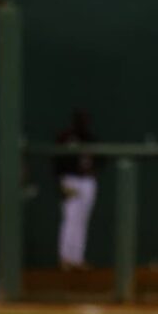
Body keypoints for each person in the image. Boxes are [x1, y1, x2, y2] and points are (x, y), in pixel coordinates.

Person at [54, 109, 97, 271]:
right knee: (70, 219)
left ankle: (77, 259)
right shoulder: (65, 137)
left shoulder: (90, 137)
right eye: (81, 119)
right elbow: (57, 162)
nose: (84, 122)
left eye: (86, 119)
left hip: (87, 181)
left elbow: (99, 159)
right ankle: (65, 257)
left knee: (82, 221)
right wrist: (61, 183)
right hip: (70, 179)